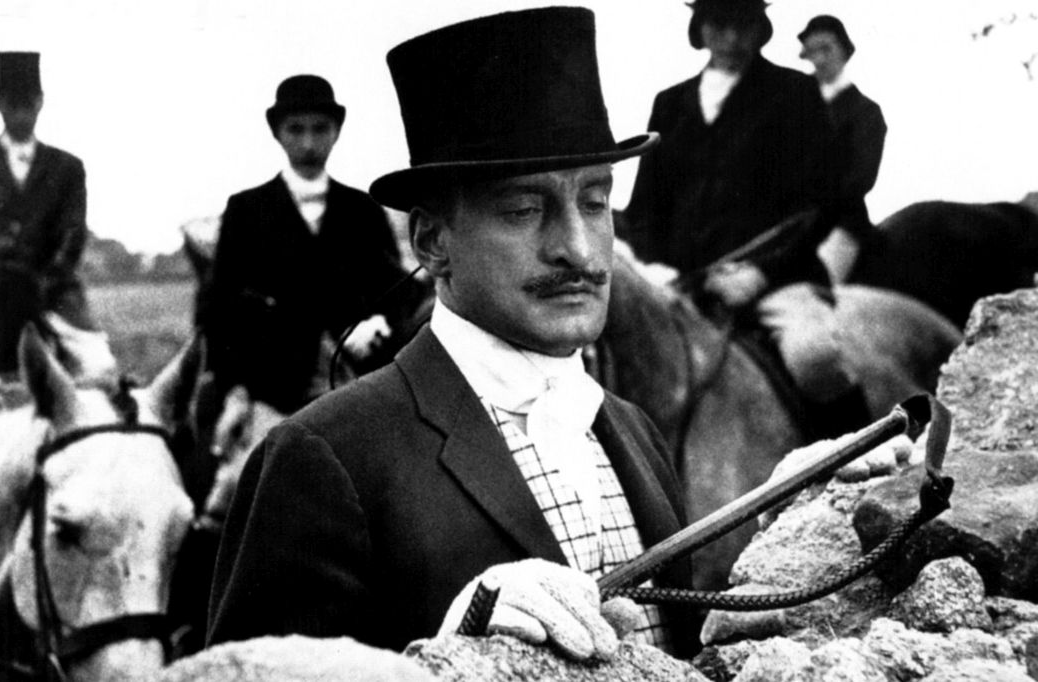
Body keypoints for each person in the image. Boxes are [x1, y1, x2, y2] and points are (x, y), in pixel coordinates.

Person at [207, 7, 698, 661]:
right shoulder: (321, 457)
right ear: (433, 241)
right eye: (524, 209)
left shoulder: (639, 434)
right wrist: (445, 655)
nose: (579, 250)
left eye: (595, 201)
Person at [622, 0, 866, 432]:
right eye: (720, 25)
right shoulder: (669, 103)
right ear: (700, 27)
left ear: (761, 28)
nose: (733, 40)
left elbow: (820, 205)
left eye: (744, 26)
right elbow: (645, 208)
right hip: (685, 287)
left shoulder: (795, 92)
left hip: (777, 282)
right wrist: (654, 267)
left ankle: (858, 460)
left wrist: (759, 274)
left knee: (814, 358)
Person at [196, 74, 417, 415]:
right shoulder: (246, 210)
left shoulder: (363, 209)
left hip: (362, 386)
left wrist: (378, 323)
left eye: (320, 129)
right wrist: (235, 387)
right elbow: (218, 307)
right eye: (296, 130)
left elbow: (398, 291)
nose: (309, 143)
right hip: (270, 391)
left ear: (337, 132)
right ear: (277, 133)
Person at [0, 51, 95, 374]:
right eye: (13, 104)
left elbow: (73, 234)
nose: (21, 114)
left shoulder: (67, 168)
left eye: (28, 104)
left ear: (40, 102)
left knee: (96, 367)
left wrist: (41, 283)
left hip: (51, 293)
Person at [798, 15, 887, 283]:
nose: (820, 59)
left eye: (827, 49)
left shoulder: (866, 112)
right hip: (787, 221)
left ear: (845, 52)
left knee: (817, 287)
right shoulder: (790, 104)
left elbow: (861, 179)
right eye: (812, 51)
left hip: (839, 224)